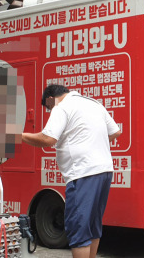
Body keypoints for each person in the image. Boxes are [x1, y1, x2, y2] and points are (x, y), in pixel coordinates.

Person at [22, 85, 121, 258]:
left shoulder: (61, 107)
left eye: (48, 107)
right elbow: (114, 132)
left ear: (50, 99)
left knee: (78, 228)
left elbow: (47, 139)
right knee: (92, 225)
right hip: (104, 171)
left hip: (82, 173)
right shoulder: (94, 104)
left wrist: (18, 135)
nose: (50, 110)